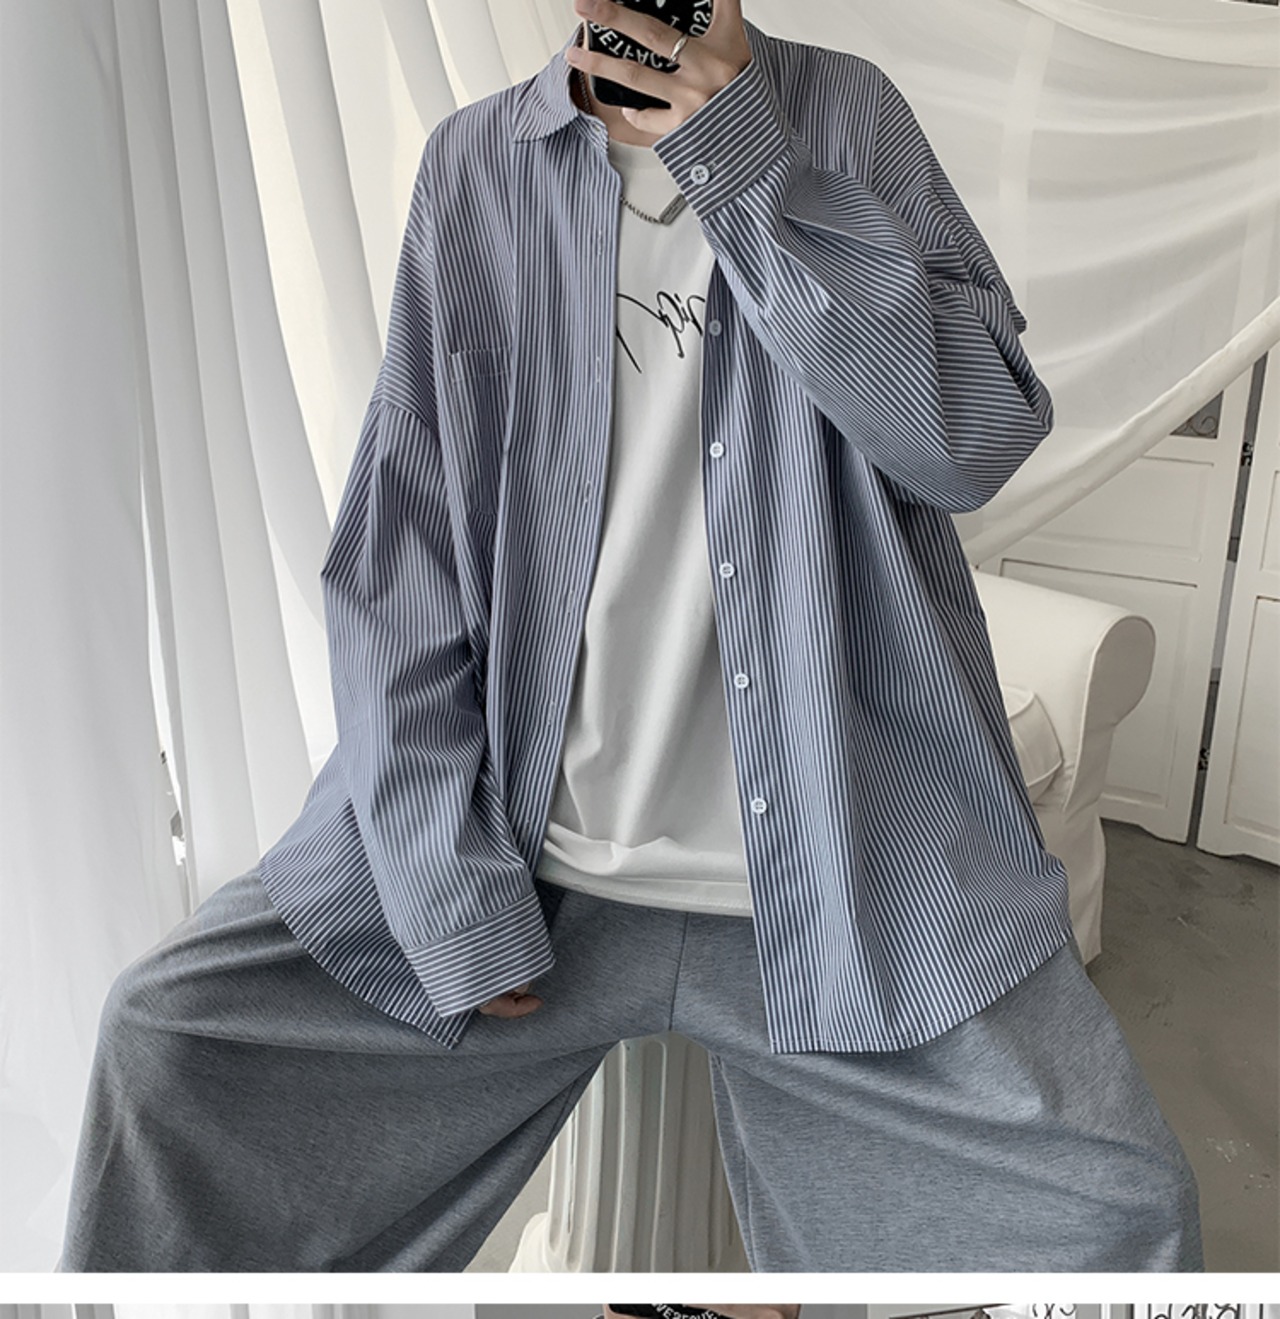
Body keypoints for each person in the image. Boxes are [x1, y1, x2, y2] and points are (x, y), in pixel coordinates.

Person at [60, 0, 1202, 1272]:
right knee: (168, 1048)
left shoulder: (848, 117)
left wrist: (745, 156)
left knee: (1118, 1212)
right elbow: (403, 553)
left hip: (845, 874)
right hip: (533, 872)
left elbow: (966, 441)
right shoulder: (477, 163)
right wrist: (446, 889)